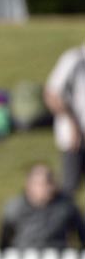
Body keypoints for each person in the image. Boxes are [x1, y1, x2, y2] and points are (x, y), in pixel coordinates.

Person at [0, 163, 85, 250]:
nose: (46, 188)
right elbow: (4, 241)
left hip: (57, 257)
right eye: (40, 184)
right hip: (23, 258)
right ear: (29, 185)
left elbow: (82, 234)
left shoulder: (66, 207)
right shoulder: (15, 208)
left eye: (49, 182)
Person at [44, 41, 85, 194]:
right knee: (70, 188)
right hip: (75, 139)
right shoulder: (74, 59)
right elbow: (51, 94)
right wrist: (72, 125)